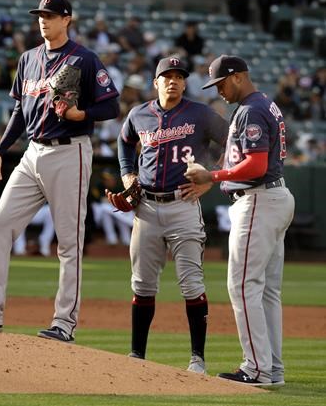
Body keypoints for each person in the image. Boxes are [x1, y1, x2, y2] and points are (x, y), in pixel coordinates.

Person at [0, 0, 120, 343]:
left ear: (67, 20)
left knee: (69, 242)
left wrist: (81, 114)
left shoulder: (84, 59)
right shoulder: (28, 59)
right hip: (32, 153)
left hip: (69, 153)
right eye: (41, 15)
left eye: (51, 15)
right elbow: (18, 111)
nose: (44, 20)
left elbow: (112, 105)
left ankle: (64, 323)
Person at [185, 55, 295, 386]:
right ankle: (271, 368)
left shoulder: (251, 109)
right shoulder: (262, 105)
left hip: (259, 199)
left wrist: (212, 175)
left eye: (220, 82)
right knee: (266, 292)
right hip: (273, 197)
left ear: (238, 77)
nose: (217, 89)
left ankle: (257, 369)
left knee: (243, 285)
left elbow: (256, 165)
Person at [116, 56, 229, 374]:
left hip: (183, 204)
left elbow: (231, 142)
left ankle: (197, 360)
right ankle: (137, 354)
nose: (173, 80)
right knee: (142, 285)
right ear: (156, 82)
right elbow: (124, 142)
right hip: (147, 207)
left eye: (179, 76)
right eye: (167, 76)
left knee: (192, 284)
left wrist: (211, 177)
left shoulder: (200, 113)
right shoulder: (140, 114)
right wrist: (128, 175)